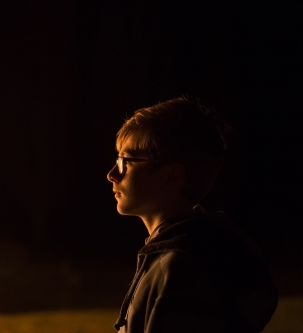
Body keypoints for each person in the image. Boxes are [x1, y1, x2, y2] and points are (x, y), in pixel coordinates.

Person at [107, 97, 277, 333]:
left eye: (126, 161)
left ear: (172, 176)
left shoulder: (180, 269)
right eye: (117, 159)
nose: (112, 174)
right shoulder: (188, 255)